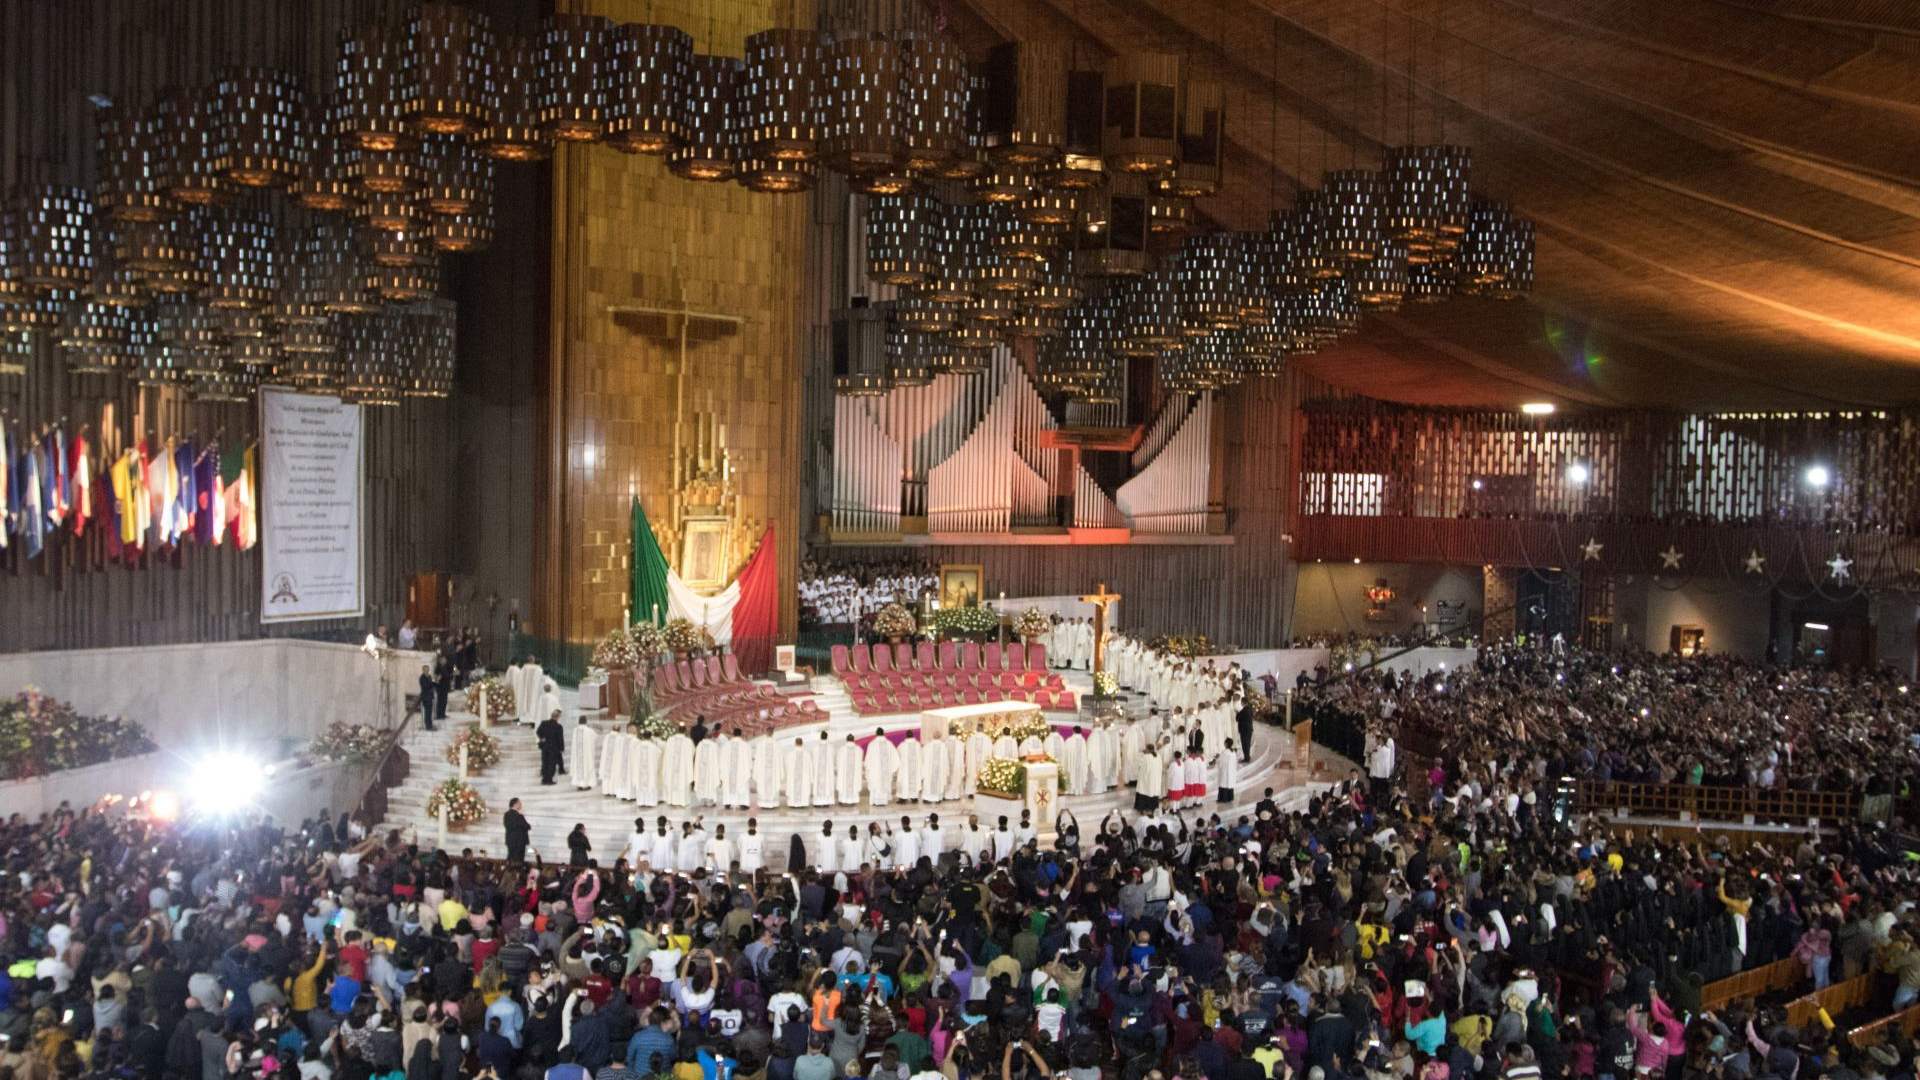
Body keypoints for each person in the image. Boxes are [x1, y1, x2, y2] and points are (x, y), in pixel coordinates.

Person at [538, 709, 565, 785]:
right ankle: (549, 780)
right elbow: (560, 739)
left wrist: (542, 738)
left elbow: (538, 732)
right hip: (554, 748)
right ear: (558, 717)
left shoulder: (544, 723)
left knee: (545, 763)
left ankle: (544, 779)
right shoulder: (558, 727)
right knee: (551, 764)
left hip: (545, 747)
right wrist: (561, 748)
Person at [504, 798, 531, 863]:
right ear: (515, 804)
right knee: (518, 860)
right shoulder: (518, 816)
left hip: (510, 841)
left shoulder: (506, 814)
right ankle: (516, 872)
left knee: (510, 857)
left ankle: (508, 871)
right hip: (519, 841)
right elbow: (527, 826)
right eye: (519, 803)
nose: (521, 805)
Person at [418, 664, 438, 731]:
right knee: (427, 712)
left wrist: (435, 683)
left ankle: (430, 724)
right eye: (426, 670)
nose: (427, 671)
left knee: (430, 712)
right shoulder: (422, 678)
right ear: (423, 670)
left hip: (430, 696)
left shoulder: (429, 676)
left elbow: (431, 684)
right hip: (426, 697)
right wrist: (432, 686)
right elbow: (426, 686)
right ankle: (428, 726)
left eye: (428, 670)